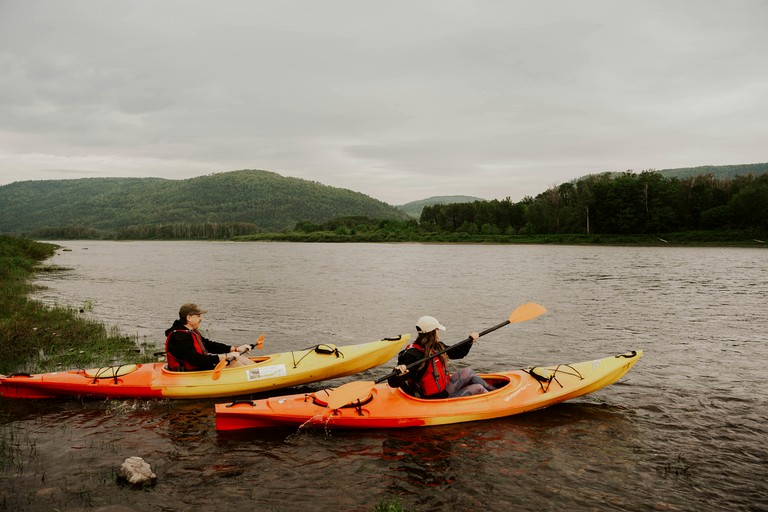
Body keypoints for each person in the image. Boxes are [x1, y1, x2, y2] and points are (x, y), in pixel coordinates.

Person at [387, 315, 495, 398]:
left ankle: (495, 391)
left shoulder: (436, 347)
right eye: (437, 330)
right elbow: (393, 382)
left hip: (443, 389)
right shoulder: (413, 355)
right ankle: (494, 399)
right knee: (478, 388)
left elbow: (458, 353)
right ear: (432, 332)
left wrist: (470, 341)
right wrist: (398, 373)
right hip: (432, 398)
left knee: (468, 372)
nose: (438, 332)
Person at [164, 303, 253, 371]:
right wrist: (225, 356)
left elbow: (209, 345)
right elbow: (196, 360)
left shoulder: (190, 331)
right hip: (192, 373)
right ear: (189, 318)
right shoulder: (178, 338)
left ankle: (258, 374)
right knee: (235, 364)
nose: (201, 319)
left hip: (202, 367)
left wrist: (235, 349)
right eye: (198, 316)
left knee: (240, 358)